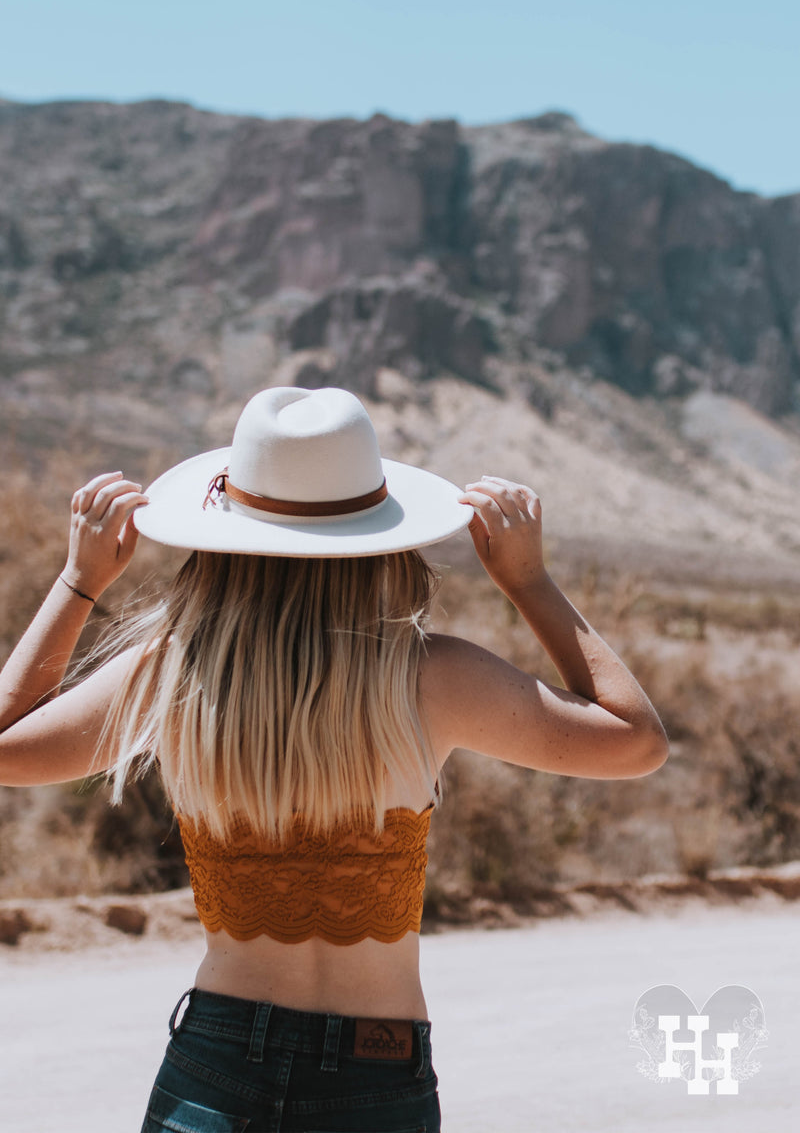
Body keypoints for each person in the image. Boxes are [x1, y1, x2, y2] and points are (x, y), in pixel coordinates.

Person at [0, 385, 668, 1132]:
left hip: (213, 1064)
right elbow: (637, 742)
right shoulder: (431, 678)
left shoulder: (170, 674)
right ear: (380, 536)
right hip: (375, 1071)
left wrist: (79, 581)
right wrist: (528, 581)